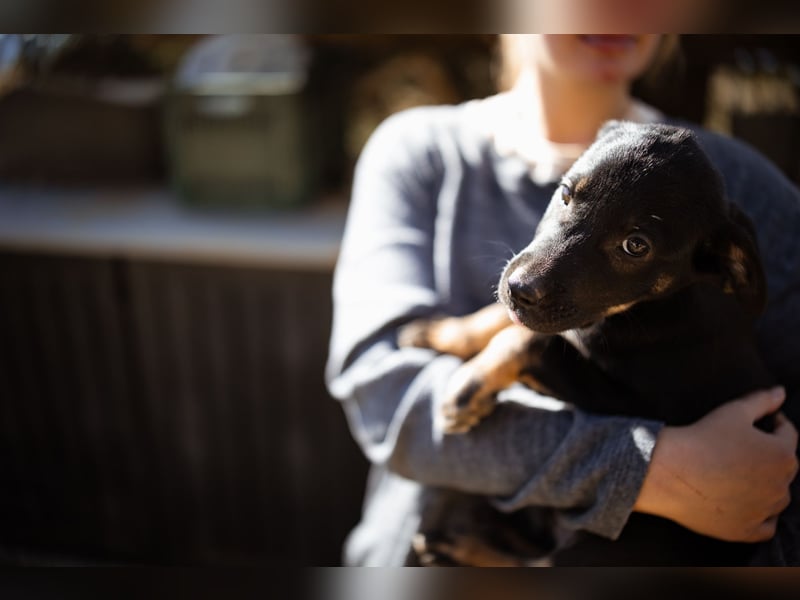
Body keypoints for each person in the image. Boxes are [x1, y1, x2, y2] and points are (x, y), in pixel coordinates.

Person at [325, 34, 800, 566]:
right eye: (569, 195)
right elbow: (384, 398)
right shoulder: (420, 152)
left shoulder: (736, 184)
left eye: (633, 246)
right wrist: (651, 471)